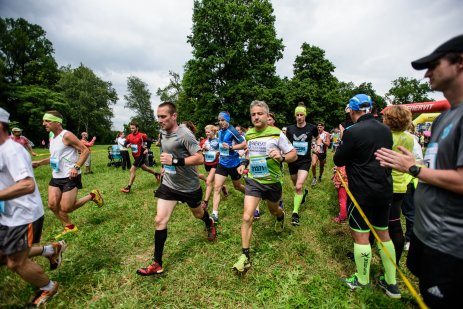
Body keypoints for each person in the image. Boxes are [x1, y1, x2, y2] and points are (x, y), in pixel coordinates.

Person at [375, 34, 463, 307]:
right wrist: (419, 166)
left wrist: (411, 167)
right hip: (429, 235)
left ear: (459, 63)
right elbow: (438, 167)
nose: (426, 74)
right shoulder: (446, 117)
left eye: (433, 64)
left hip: (452, 245)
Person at [136, 102, 216, 276]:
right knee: (159, 220)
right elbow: (167, 152)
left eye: (163, 116)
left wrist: (175, 161)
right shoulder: (163, 132)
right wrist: (166, 167)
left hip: (189, 186)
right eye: (158, 116)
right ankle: (157, 263)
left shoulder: (184, 134)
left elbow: (200, 158)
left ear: (174, 116)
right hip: (169, 184)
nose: (160, 120)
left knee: (198, 214)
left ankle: (209, 222)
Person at [334, 94, 400, 299]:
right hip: (384, 189)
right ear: (370, 109)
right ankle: (391, 284)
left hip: (361, 192)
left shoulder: (353, 131)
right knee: (383, 233)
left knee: (361, 236)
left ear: (353, 111)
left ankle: (362, 280)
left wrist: (344, 139)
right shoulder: (386, 129)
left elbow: (338, 159)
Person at [0, 108, 63, 306]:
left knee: (15, 261)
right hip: (7, 213)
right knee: (3, 255)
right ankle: (51, 249)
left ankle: (48, 287)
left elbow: (28, 184)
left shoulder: (12, 150)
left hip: (23, 214)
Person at [232, 100, 297, 273]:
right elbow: (249, 152)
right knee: (247, 217)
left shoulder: (277, 134)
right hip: (254, 181)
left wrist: (282, 157)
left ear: (268, 116)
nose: (256, 117)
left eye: (259, 113)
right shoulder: (250, 134)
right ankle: (245, 255)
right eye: (253, 114)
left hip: (273, 182)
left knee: (273, 209)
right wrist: (244, 163)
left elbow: (293, 155)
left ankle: (280, 216)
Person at [32, 110, 104, 239]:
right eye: (44, 121)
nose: (44, 124)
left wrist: (76, 167)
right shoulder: (51, 137)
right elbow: (54, 157)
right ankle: (69, 227)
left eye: (47, 121)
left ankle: (93, 195)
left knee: (66, 208)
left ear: (57, 122)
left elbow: (85, 151)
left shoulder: (67, 135)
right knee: (52, 205)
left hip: (70, 176)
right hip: (56, 176)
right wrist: (39, 163)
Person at [381, 105, 415, 264]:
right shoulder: (409, 138)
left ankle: (383, 256)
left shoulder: (385, 136)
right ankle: (396, 261)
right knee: (395, 223)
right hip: (402, 184)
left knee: (380, 223)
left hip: (385, 183)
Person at [285, 102, 319, 226]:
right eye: (297, 115)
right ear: (295, 116)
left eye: (301, 115)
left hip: (305, 161)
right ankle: (303, 194)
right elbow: (286, 142)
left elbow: (318, 137)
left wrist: (318, 145)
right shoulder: (290, 129)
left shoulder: (311, 128)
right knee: (295, 184)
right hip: (293, 160)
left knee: (298, 186)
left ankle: (295, 213)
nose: (299, 117)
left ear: (305, 116)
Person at [211, 111, 246, 223]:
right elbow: (221, 146)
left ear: (227, 120)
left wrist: (231, 147)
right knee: (217, 187)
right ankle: (214, 214)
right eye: (219, 120)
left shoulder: (232, 130)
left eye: (223, 120)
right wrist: (218, 152)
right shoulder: (220, 132)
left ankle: (251, 194)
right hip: (222, 163)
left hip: (233, 164)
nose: (221, 122)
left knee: (237, 186)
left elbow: (244, 144)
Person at [120, 121, 160, 193]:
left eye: (133, 128)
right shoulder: (129, 136)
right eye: (131, 128)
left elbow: (149, 141)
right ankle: (156, 174)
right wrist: (127, 145)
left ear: (137, 128)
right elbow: (125, 143)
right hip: (135, 155)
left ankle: (128, 188)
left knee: (132, 170)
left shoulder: (142, 135)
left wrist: (147, 149)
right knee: (144, 168)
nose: (131, 129)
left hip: (141, 154)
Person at [198, 125, 221, 209]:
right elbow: (200, 151)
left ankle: (205, 202)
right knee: (215, 180)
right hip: (207, 163)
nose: (207, 133)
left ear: (213, 132)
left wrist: (218, 153)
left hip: (216, 163)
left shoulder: (218, 141)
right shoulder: (204, 141)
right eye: (206, 132)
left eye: (209, 132)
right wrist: (202, 149)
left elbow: (221, 150)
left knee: (208, 181)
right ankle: (224, 187)